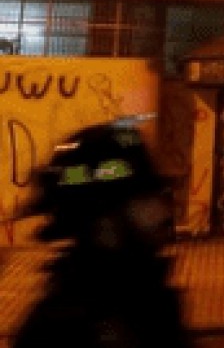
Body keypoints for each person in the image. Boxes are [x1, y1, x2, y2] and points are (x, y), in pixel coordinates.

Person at [12, 118, 192, 348]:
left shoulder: (146, 300)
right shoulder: (70, 326)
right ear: (104, 218)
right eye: (144, 194)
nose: (163, 211)